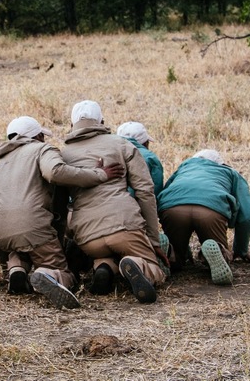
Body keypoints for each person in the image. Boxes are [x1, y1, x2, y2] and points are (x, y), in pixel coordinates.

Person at [0, 116, 123, 309]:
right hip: (33, 227)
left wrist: (3, 263)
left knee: (20, 247)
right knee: (63, 272)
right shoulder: (42, 149)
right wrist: (99, 174)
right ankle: (51, 274)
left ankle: (16, 270)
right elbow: (55, 172)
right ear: (39, 136)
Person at [60, 101, 169, 303]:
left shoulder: (63, 156)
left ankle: (103, 269)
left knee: (103, 254)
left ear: (71, 124)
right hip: (124, 227)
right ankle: (138, 264)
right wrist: (153, 241)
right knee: (154, 268)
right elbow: (145, 191)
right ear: (102, 121)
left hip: (87, 236)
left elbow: (60, 203)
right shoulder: (121, 144)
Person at [156, 149, 250, 285]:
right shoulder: (230, 172)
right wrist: (240, 249)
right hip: (210, 208)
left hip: (173, 208)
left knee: (176, 257)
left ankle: (168, 251)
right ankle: (216, 250)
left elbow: (166, 188)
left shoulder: (183, 169)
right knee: (217, 250)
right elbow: (247, 216)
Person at [116, 121, 164, 197]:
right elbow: (156, 189)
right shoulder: (150, 158)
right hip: (136, 205)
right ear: (145, 142)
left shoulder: (110, 152)